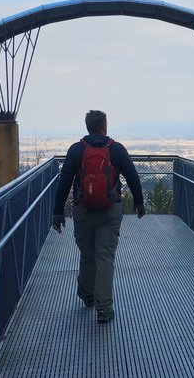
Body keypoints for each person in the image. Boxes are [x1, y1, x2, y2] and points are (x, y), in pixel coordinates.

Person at [52, 110, 145, 324]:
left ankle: (87, 295)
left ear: (87, 126)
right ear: (105, 126)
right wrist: (139, 203)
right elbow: (132, 176)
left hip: (83, 211)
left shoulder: (76, 150)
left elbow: (64, 181)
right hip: (110, 211)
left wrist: (58, 212)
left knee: (87, 254)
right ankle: (104, 309)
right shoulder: (116, 149)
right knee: (105, 257)